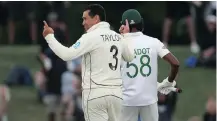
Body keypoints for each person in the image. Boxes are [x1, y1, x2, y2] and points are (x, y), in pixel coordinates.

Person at [42, 4, 134, 121]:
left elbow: (66, 55)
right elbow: (130, 57)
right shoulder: (118, 37)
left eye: (85, 18)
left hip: (96, 94)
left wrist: (49, 37)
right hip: (116, 95)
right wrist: (127, 36)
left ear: (96, 18)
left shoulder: (90, 37)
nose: (83, 23)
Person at [120, 9, 180, 121]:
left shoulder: (119, 44)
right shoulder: (153, 42)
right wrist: (168, 82)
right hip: (149, 100)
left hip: (127, 100)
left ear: (124, 26)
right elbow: (175, 63)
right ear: (141, 23)